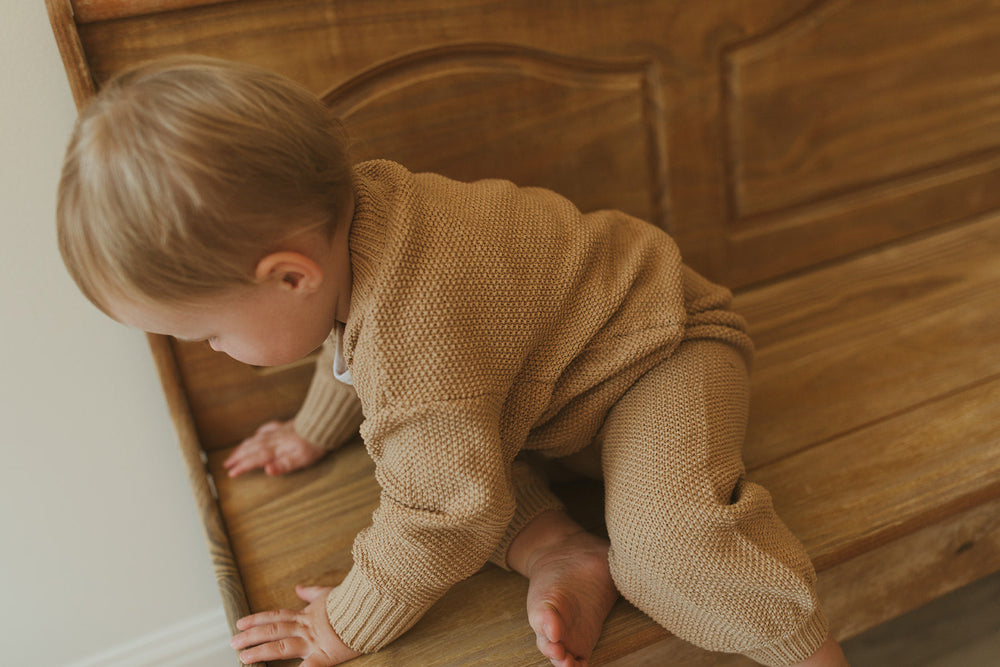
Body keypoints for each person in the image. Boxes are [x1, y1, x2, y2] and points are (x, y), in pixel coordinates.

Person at [56, 55, 848, 667]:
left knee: (667, 547)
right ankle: (564, 549)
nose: (216, 350)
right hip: (550, 387)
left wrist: (342, 622)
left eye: (208, 333)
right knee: (440, 460)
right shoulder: (355, 224)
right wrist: (310, 429)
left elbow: (437, 515)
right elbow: (351, 350)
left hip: (662, 354)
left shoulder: (414, 320)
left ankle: (806, 650)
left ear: (290, 276)